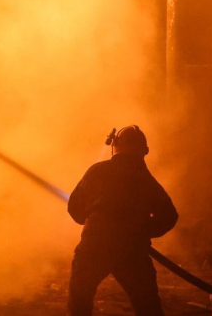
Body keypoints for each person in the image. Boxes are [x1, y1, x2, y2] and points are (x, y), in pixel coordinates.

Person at [67, 125, 178, 316]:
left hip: (94, 247)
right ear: (144, 151)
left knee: (79, 303)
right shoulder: (146, 180)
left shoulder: (97, 171)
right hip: (132, 251)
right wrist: (142, 232)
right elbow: (169, 216)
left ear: (115, 146)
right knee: (147, 307)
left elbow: (74, 207)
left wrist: (94, 223)